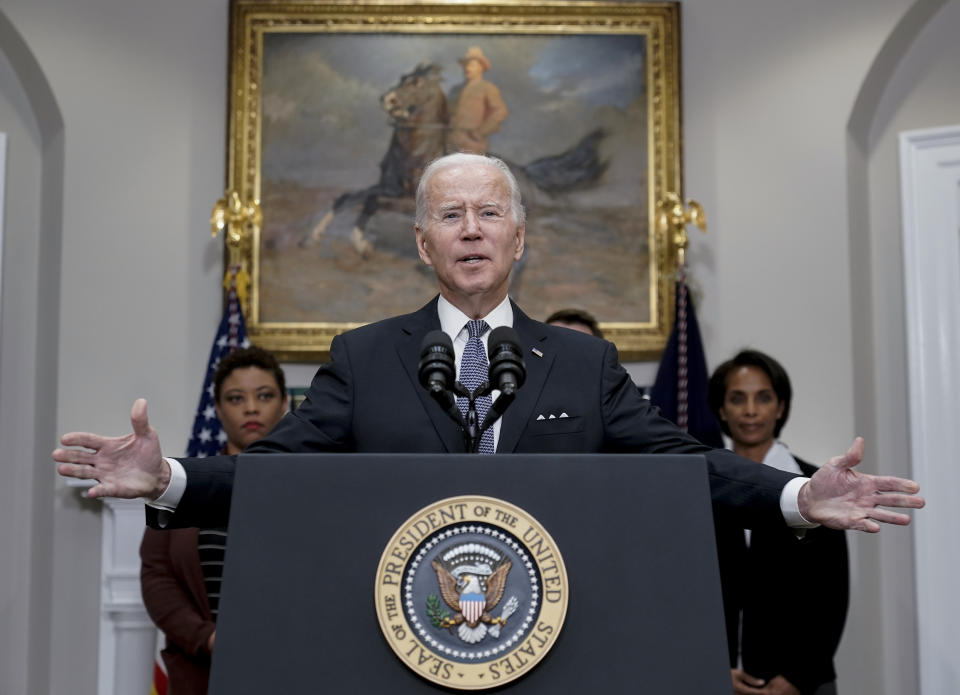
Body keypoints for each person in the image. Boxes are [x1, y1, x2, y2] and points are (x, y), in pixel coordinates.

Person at [53, 152, 922, 543]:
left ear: (519, 239)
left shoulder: (583, 363)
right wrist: (164, 477)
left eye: (491, 212)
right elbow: (276, 471)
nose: (472, 230)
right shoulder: (362, 354)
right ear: (423, 244)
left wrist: (799, 494)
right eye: (450, 215)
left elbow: (682, 463)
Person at [139, 347, 288, 695]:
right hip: (202, 672)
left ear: (284, 404)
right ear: (218, 410)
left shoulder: (309, 486)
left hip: (288, 666)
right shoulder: (183, 485)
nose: (251, 408)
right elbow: (158, 578)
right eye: (236, 398)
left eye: (264, 396)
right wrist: (206, 638)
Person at [708, 350, 848, 695]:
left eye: (764, 398)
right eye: (737, 399)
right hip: (720, 679)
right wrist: (714, 668)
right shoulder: (697, 485)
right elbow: (686, 590)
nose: (751, 410)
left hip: (804, 682)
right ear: (722, 410)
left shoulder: (816, 486)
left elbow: (832, 594)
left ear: (781, 407)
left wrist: (798, 676)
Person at [446, 47, 508, 155]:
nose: (467, 68)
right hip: (451, 140)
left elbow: (500, 111)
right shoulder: (455, 89)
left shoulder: (487, 88)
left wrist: (481, 132)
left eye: (472, 65)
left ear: (481, 68)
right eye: (465, 65)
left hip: (472, 141)